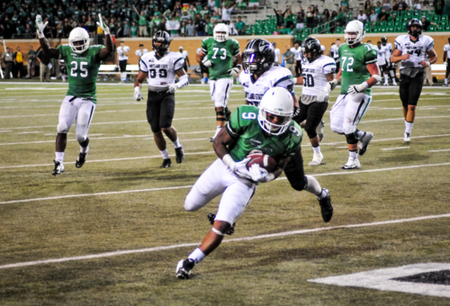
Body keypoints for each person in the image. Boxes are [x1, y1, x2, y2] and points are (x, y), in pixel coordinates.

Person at [175, 87, 330, 280]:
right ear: (263, 110)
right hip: (225, 166)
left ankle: (189, 262)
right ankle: (226, 215)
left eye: (280, 119)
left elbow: (280, 166)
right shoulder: (245, 115)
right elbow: (218, 142)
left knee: (221, 226)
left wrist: (268, 177)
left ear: (289, 117)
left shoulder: (293, 134)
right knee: (190, 205)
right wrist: (233, 164)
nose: (274, 122)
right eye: (271, 116)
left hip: (245, 182)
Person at [35, 14, 112, 175]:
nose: (77, 45)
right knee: (62, 127)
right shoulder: (66, 50)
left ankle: (84, 150)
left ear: (87, 41)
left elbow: (109, 50)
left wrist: (107, 33)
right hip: (71, 96)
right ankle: (59, 163)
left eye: (80, 42)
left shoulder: (94, 52)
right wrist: (41, 35)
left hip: (88, 99)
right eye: (75, 42)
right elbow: (48, 50)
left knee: (80, 136)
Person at [327, 20, 379, 169]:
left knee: (349, 127)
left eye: (354, 33)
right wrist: (335, 82)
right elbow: (343, 69)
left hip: (360, 93)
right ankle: (363, 136)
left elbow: (377, 76)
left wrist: (361, 86)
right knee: (336, 126)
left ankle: (353, 160)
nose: (350, 36)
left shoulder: (367, 49)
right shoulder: (343, 48)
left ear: (361, 34)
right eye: (348, 33)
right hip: (344, 92)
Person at [133, 31, 187, 168]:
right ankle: (166, 158)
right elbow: (139, 79)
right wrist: (137, 90)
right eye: (157, 42)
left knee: (165, 126)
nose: (159, 44)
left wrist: (176, 85)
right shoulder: (146, 57)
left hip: (167, 93)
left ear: (167, 44)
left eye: (162, 42)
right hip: (152, 95)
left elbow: (185, 78)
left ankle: (178, 146)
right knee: (155, 129)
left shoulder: (174, 57)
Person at [391, 18, 437, 142]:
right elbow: (392, 58)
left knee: (411, 106)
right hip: (404, 74)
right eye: (413, 27)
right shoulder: (402, 40)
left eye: (417, 27)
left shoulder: (426, 40)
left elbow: (434, 56)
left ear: (420, 28)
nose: (415, 29)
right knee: (405, 104)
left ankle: (407, 132)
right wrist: (402, 57)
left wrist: (427, 62)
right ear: (409, 28)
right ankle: (407, 123)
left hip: (418, 73)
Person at [196, 23, 242, 142]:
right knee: (217, 102)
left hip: (225, 75)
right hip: (213, 76)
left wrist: (237, 67)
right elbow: (199, 56)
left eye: (223, 33)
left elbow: (240, 58)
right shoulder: (208, 42)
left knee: (219, 102)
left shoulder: (232, 43)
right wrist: (203, 62)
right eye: (218, 32)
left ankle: (219, 131)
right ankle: (235, 124)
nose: (220, 35)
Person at [297, 38, 336, 165]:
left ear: (314, 52)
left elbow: (331, 81)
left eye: (307, 52)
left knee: (309, 128)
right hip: (305, 97)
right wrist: (290, 80)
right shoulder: (306, 61)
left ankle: (317, 155)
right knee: (292, 121)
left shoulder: (326, 61)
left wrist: (325, 92)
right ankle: (317, 122)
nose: (305, 54)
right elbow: (305, 79)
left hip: (318, 98)